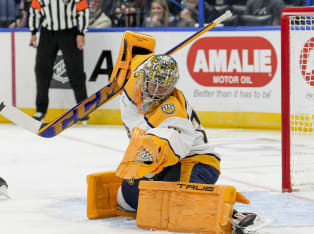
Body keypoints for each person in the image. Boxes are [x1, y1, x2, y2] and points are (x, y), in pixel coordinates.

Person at [115, 54, 221, 212]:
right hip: (169, 164)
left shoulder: (172, 110)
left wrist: (149, 159)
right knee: (127, 199)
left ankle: (230, 214)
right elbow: (136, 52)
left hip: (196, 161)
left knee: (177, 207)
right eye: (153, 84)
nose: (157, 91)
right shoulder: (135, 78)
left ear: (172, 85)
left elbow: (173, 145)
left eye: (163, 87)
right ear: (144, 76)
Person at [28, 0, 90, 123]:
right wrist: (33, 32)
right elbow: (35, 11)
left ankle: (83, 109)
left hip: (69, 32)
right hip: (47, 33)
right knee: (41, 70)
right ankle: (41, 110)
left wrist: (81, 32)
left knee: (76, 71)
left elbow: (83, 10)